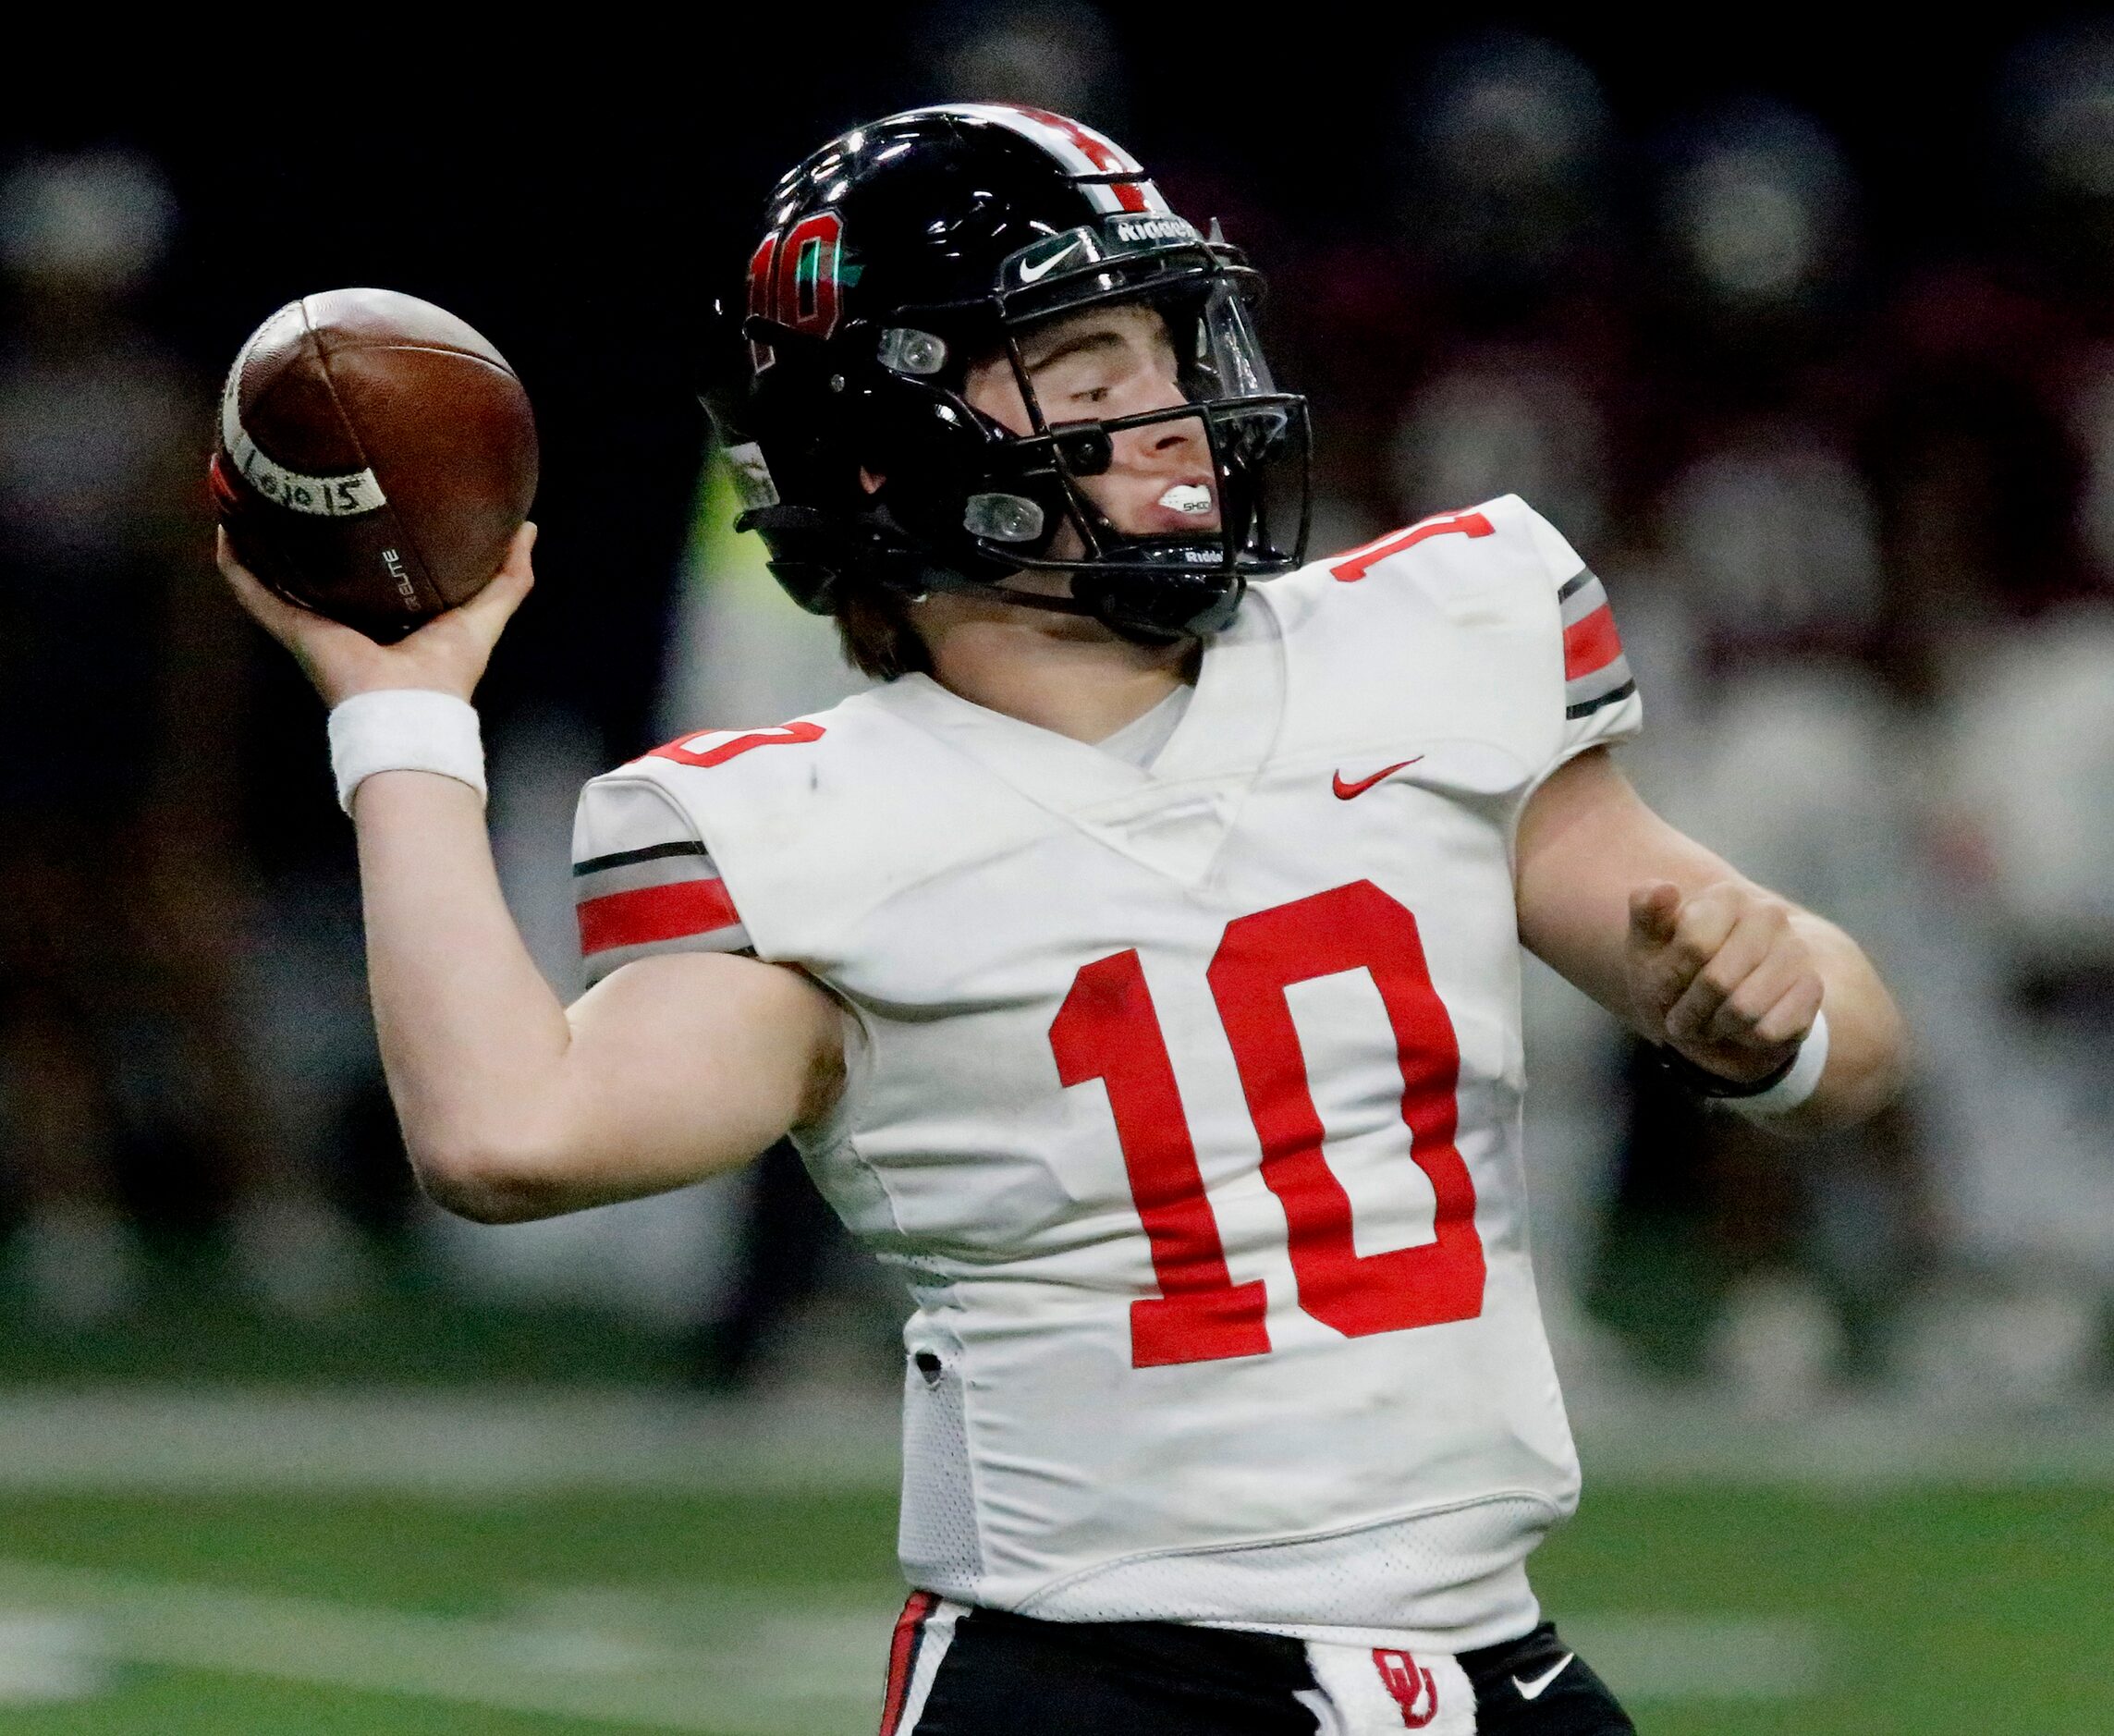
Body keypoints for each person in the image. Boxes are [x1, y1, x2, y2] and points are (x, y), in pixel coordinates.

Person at [218, 105, 1906, 1736]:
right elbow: (511, 1132)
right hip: (1100, 1678)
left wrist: (1782, 1011)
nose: (1171, 409)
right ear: (891, 440)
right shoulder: (807, 825)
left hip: (1489, 1662)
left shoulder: (1431, 640)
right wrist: (403, 717)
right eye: (1088, 370)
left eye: (1172, 351)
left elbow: (1846, 1037)